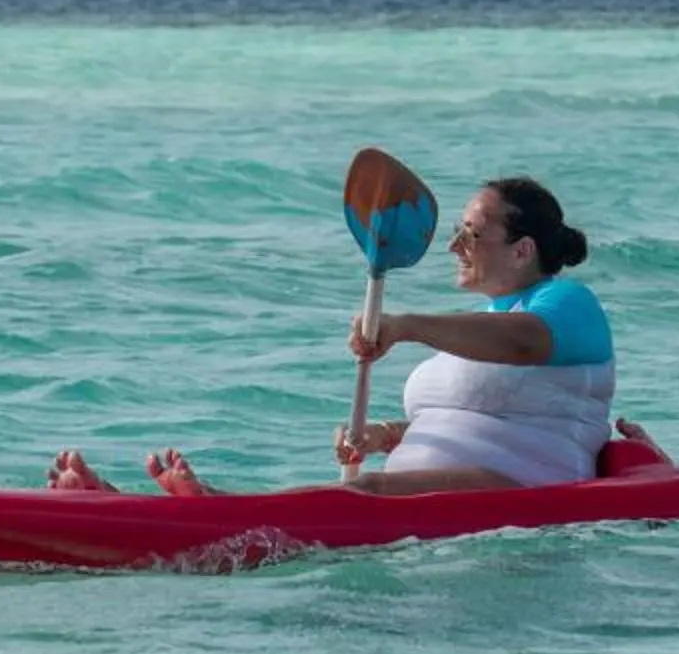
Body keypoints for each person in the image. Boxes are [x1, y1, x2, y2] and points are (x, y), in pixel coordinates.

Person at [47, 175, 614, 496]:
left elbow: (524, 346)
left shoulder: (567, 304)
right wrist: (386, 436)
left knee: (360, 494)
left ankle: (208, 511)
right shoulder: (481, 323)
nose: (453, 247)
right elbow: (486, 408)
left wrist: (406, 326)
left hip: (526, 486)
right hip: (442, 489)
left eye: (471, 234)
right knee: (361, 487)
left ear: (523, 250)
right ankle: (170, 511)